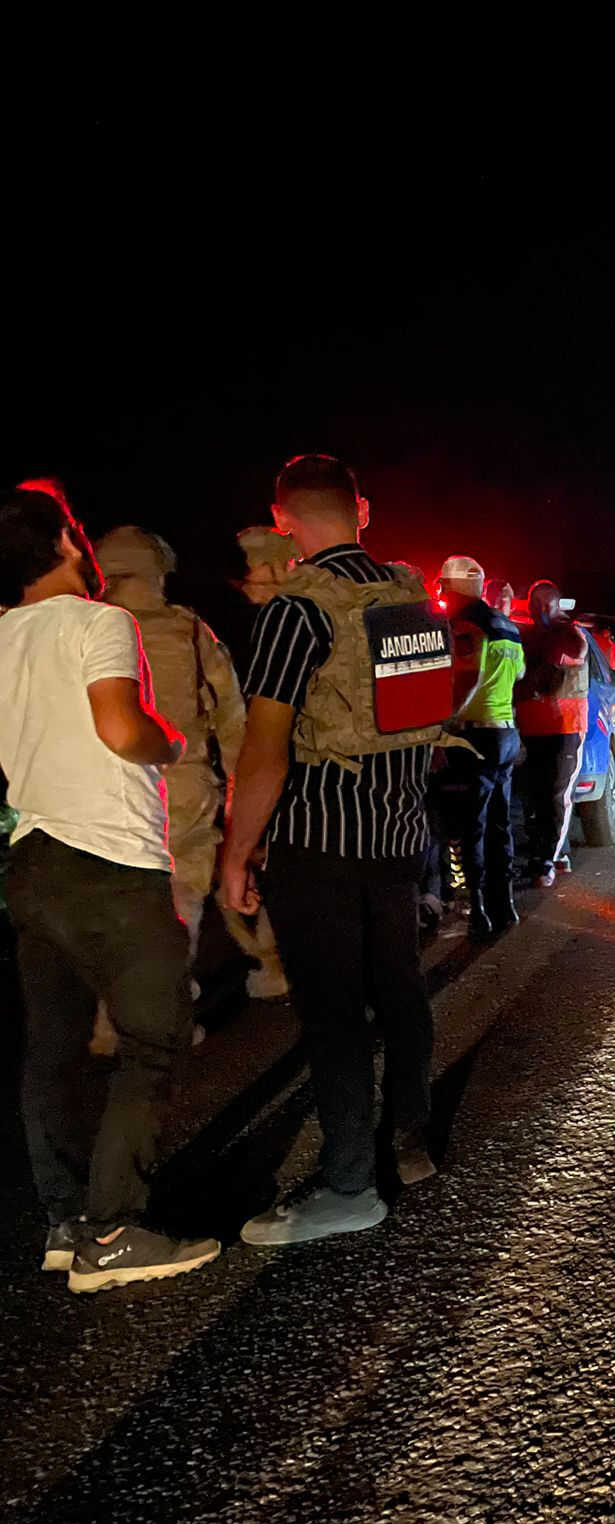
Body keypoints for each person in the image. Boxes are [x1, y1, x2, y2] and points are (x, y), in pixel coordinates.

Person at [221, 454, 451, 1245]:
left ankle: (349, 1183)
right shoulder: (409, 599)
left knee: (332, 1017)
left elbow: (266, 747)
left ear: (282, 519)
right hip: (397, 834)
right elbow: (419, 728)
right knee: (399, 988)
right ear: (363, 509)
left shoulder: (296, 611)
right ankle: (411, 1135)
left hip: (318, 841)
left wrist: (235, 851)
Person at [0, 484, 220, 1292]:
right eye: (78, 531)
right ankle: (116, 1230)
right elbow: (120, 727)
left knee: (51, 1048)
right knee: (154, 1037)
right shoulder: (102, 622)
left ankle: (64, 1218)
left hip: (32, 859)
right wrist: (166, 743)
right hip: (109, 861)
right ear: (64, 542)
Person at [98, 527, 290, 1007]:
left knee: (118, 911)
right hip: (182, 794)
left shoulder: (86, 630)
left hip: (105, 795)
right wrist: (241, 801)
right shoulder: (187, 628)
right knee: (181, 907)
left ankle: (110, 1020)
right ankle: (168, 1009)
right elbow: (231, 720)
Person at [437, 556, 526, 941]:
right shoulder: (507, 627)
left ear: (453, 589)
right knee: (501, 823)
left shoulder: (468, 625)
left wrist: (442, 723)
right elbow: (519, 674)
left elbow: (468, 678)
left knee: (470, 827)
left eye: (442, 587)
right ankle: (504, 905)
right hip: (506, 733)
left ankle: (477, 911)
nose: (440, 594)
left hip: (475, 737)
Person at [514, 579, 589, 887]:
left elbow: (569, 657)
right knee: (536, 796)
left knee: (556, 795)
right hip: (532, 726)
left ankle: (547, 859)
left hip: (565, 728)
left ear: (557, 604)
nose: (540, 609)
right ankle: (550, 855)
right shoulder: (528, 636)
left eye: (546, 603)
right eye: (535, 604)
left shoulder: (570, 635)